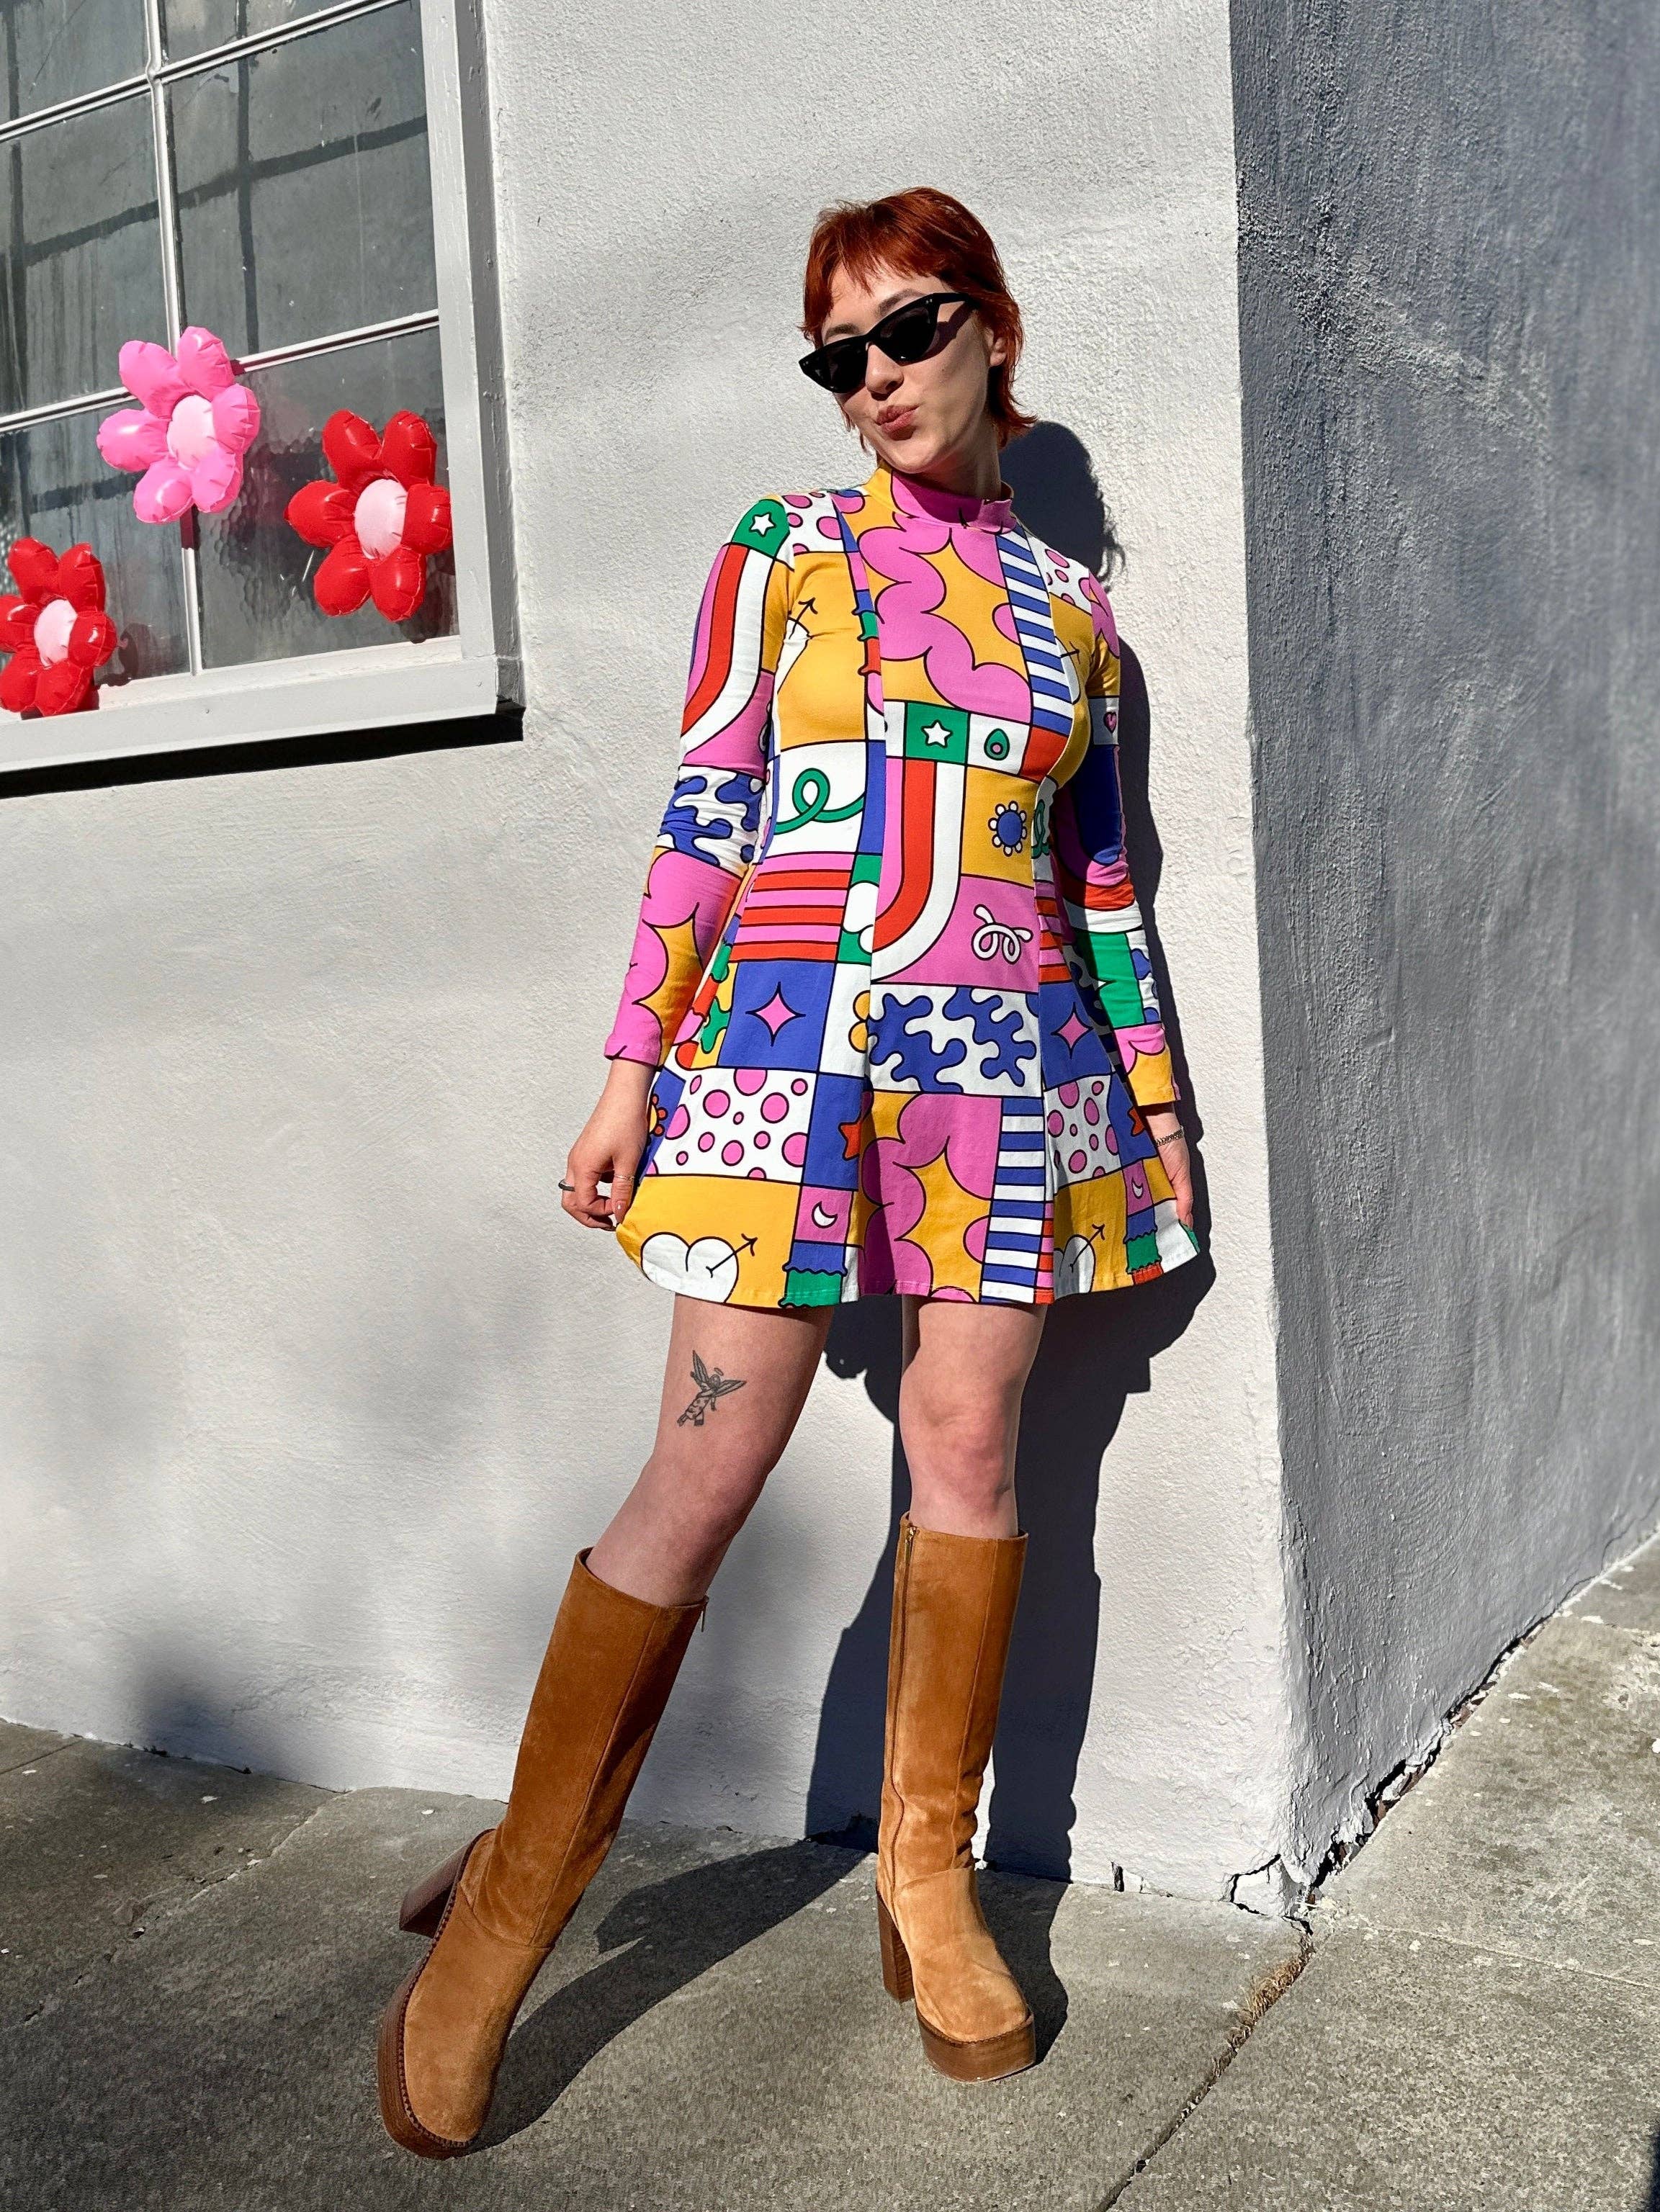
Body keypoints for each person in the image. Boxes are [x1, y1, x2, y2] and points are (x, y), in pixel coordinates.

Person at [377, 185, 1198, 2159]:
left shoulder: (1074, 617)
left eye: (907, 332)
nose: (873, 381)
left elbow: (1099, 883)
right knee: (706, 1468)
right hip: (781, 1066)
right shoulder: (782, 555)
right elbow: (708, 813)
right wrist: (629, 1072)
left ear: (991, 327)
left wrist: (1156, 1115)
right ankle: (505, 1913)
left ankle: (929, 1878)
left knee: (973, 1455)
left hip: (1007, 1075)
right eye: (837, 356)